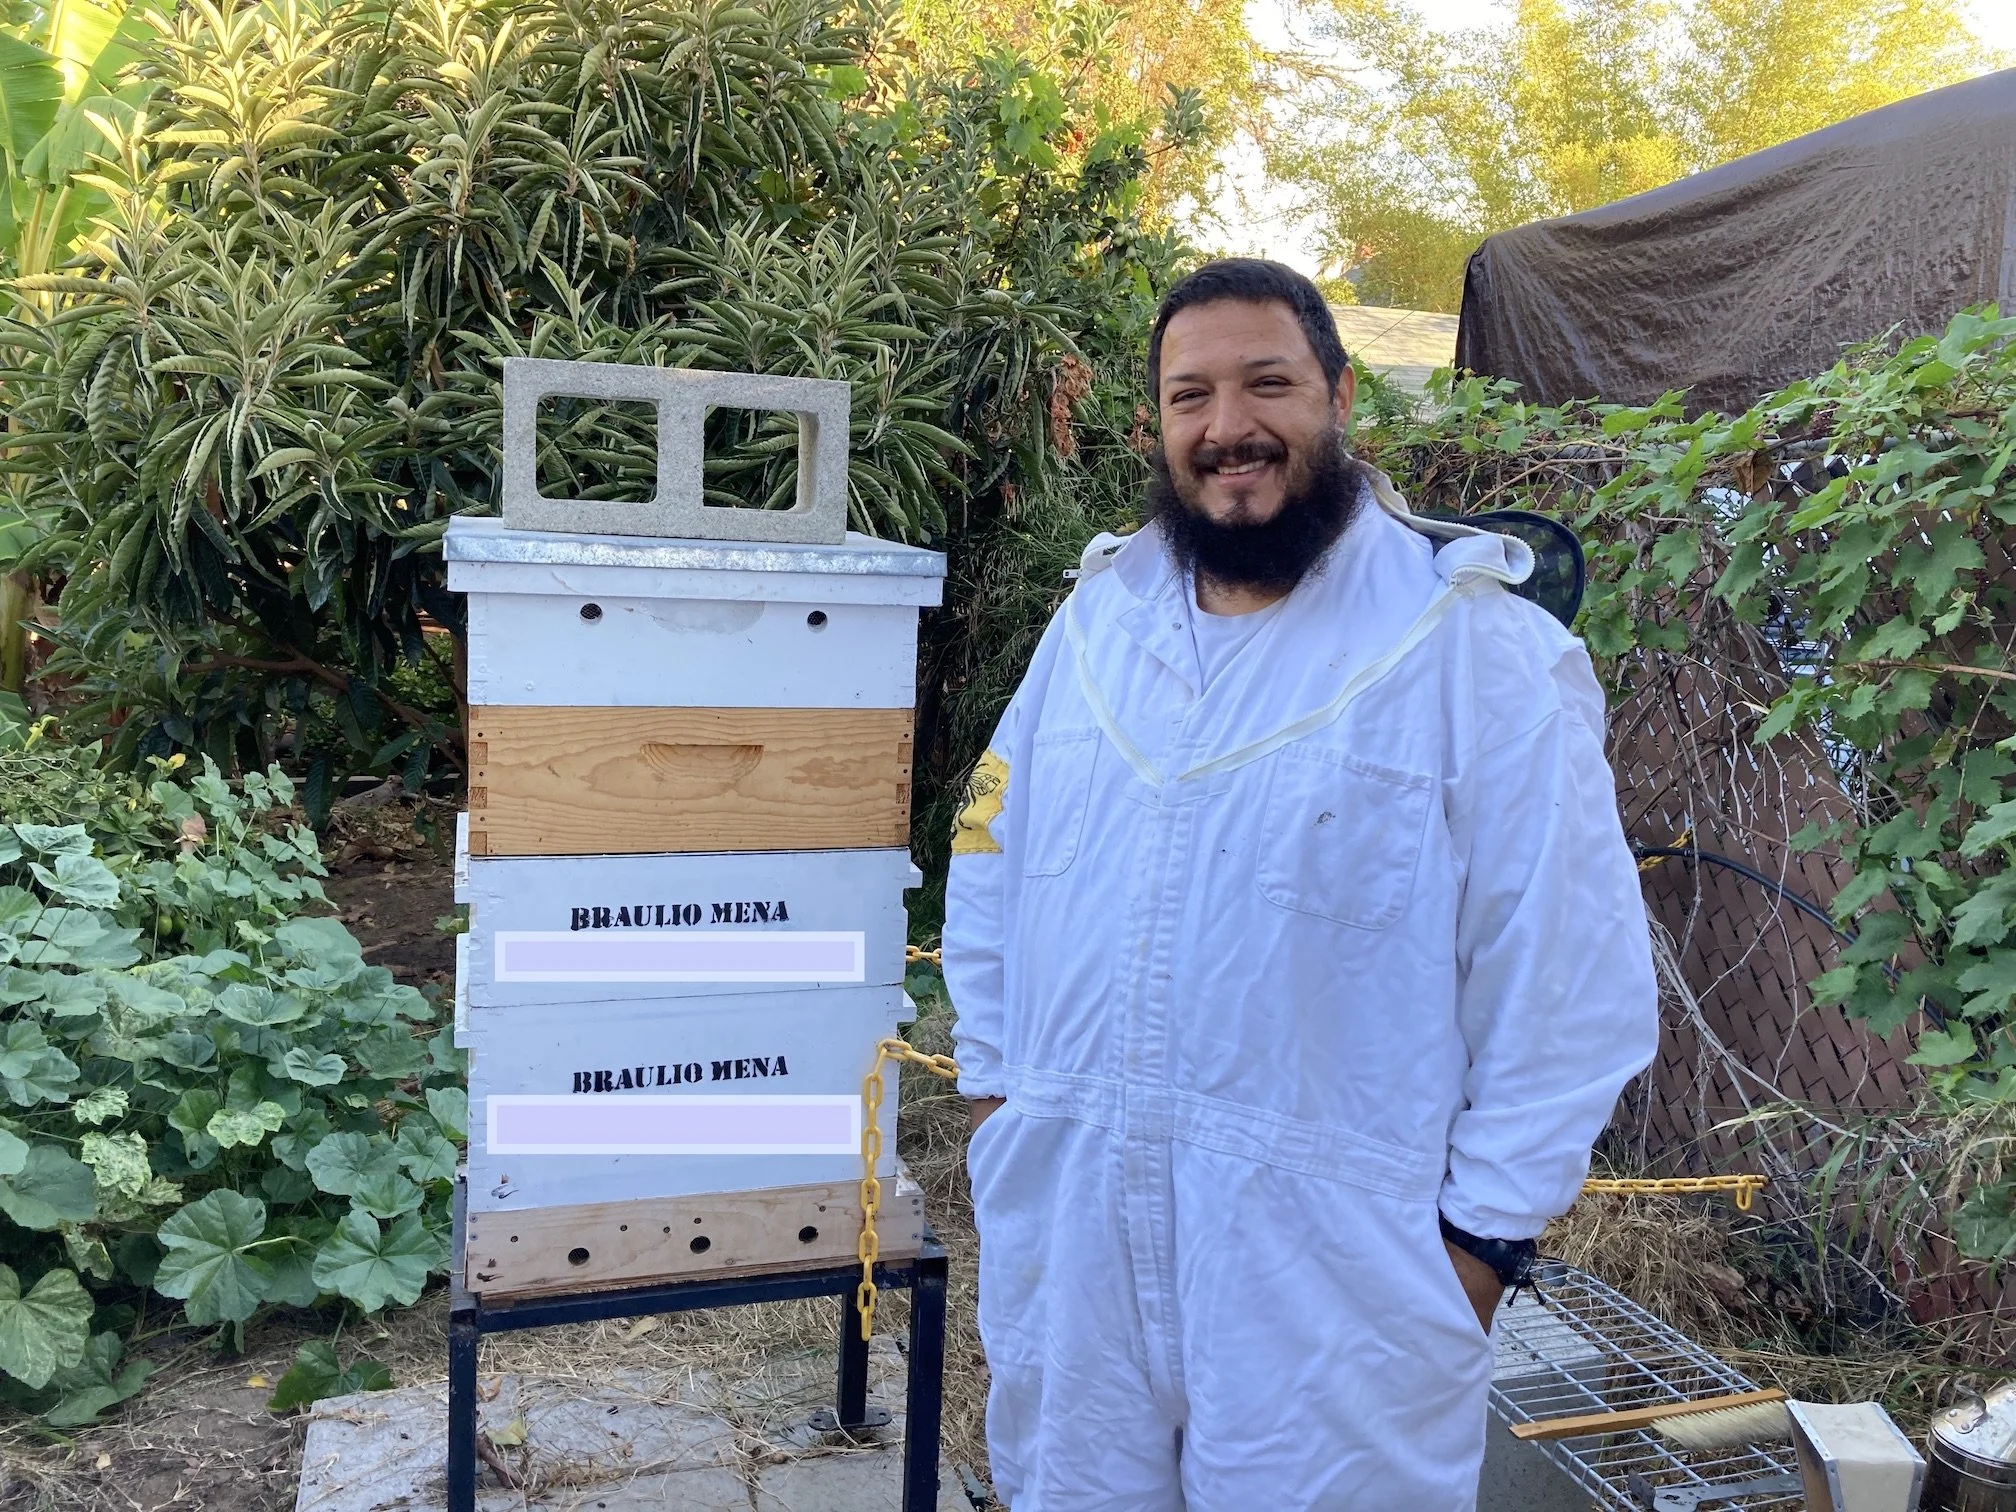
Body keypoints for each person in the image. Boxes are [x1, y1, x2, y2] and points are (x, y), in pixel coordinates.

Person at [941, 258, 1658, 1511]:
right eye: (1191, 398)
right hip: (1076, 1266)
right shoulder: (1096, 625)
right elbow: (990, 859)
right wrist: (1001, 1097)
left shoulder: (1476, 648)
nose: (1229, 429)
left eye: (1267, 385)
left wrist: (1478, 1250)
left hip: (1336, 1302)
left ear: (1336, 396)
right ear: (1155, 426)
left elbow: (1568, 982)